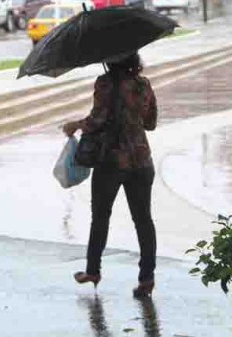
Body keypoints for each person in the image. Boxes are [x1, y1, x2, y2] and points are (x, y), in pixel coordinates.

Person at [62, 53, 158, 298]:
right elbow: (151, 123)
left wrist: (74, 124)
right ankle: (147, 278)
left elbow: (97, 121)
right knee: (144, 220)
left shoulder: (105, 83)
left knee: (101, 216)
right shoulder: (143, 84)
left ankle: (93, 271)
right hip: (141, 160)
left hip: (112, 161)